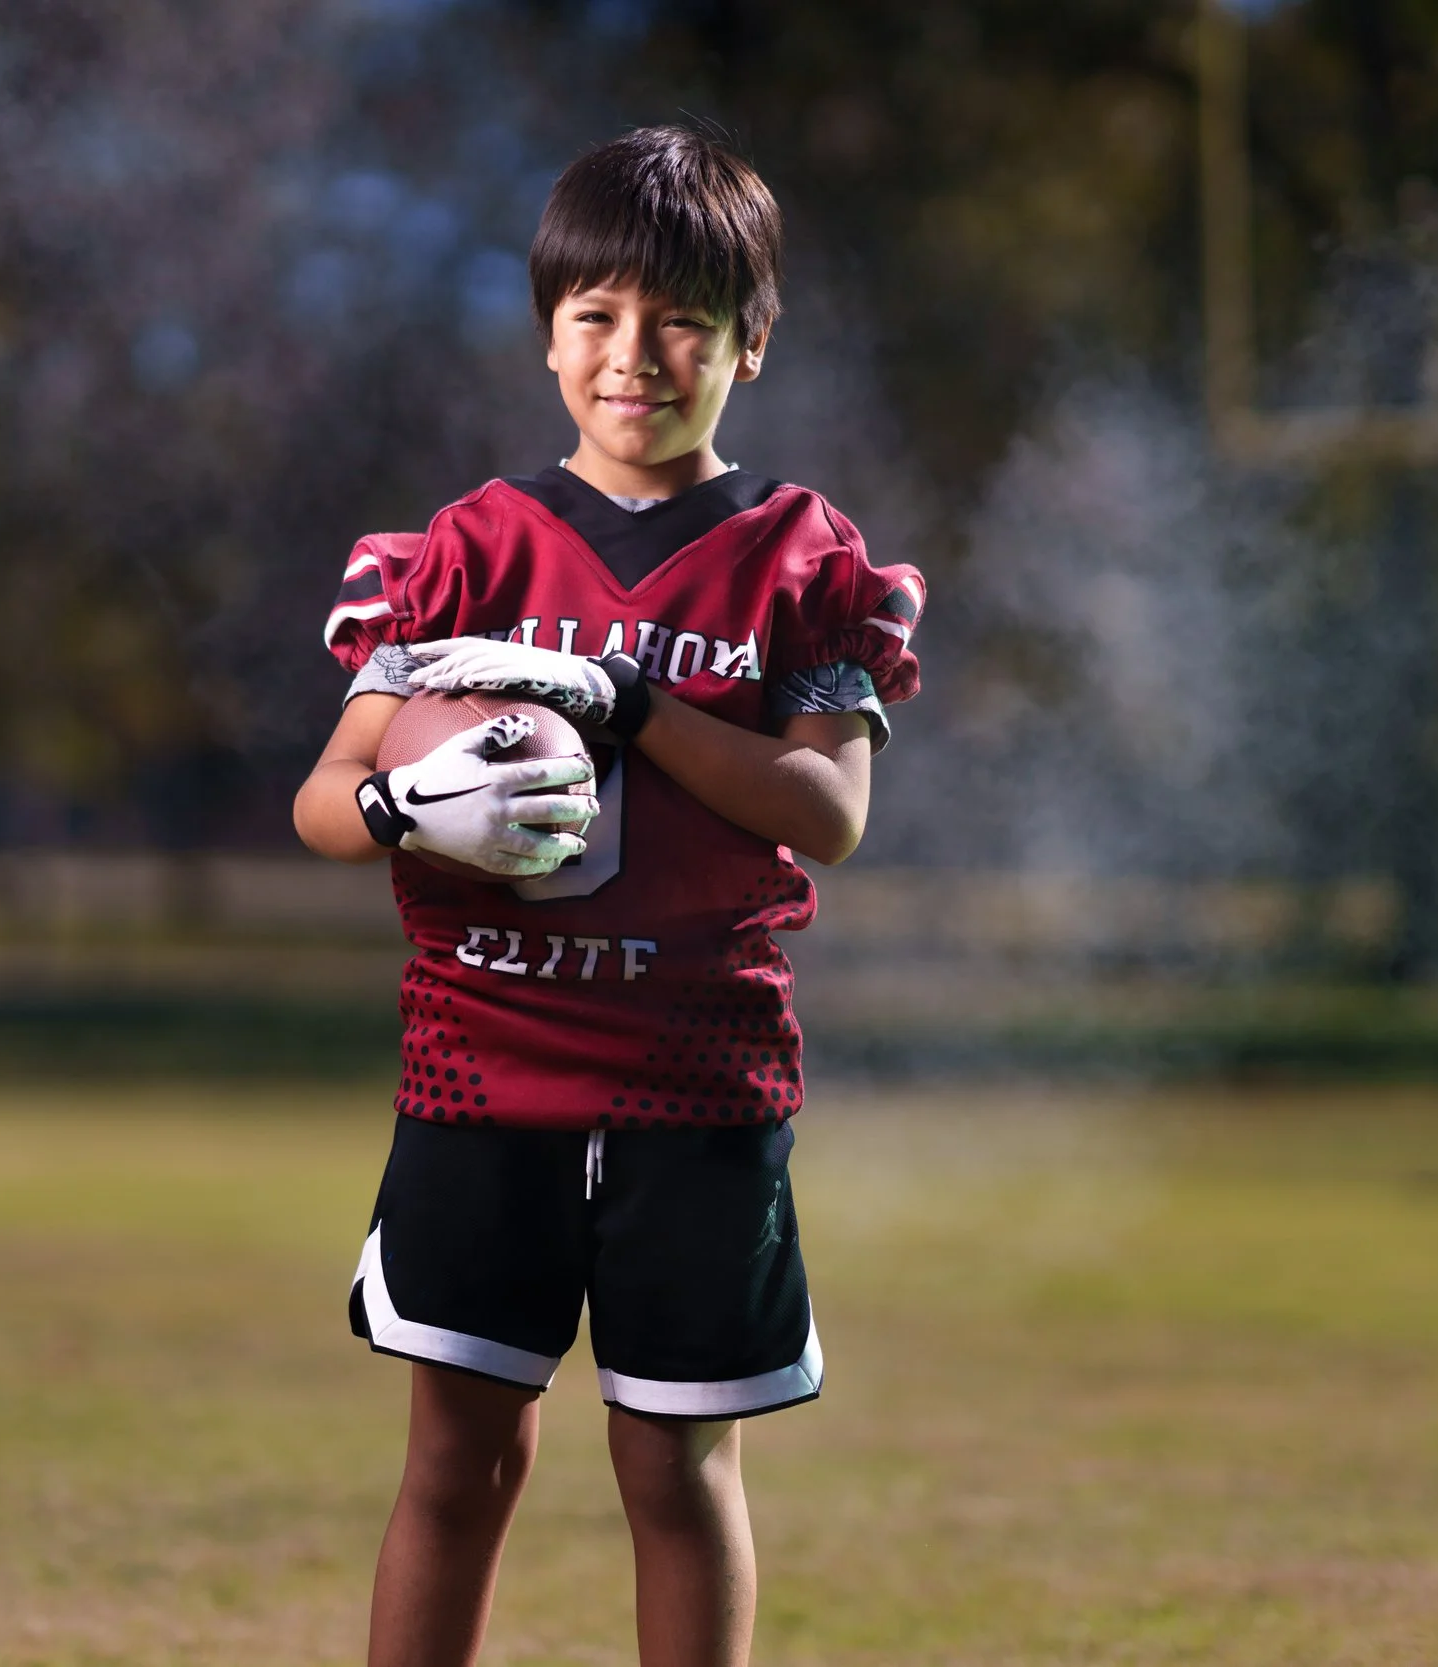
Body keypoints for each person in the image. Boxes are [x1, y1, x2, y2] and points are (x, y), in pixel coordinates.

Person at [292, 124, 924, 1667]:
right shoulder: (461, 553)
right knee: (457, 1455)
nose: (633, 355)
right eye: (596, 318)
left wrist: (625, 698)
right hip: (479, 1064)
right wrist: (399, 806)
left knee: (674, 1463)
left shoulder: (802, 559)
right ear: (547, 334)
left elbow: (828, 812)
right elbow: (322, 800)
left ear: (751, 344)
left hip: (696, 1079)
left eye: (681, 321)